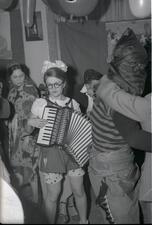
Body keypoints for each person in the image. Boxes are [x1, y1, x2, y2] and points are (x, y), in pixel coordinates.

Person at [88, 28, 148, 224]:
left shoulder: (108, 81)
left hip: (104, 163)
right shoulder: (118, 100)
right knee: (123, 217)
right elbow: (134, 137)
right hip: (113, 172)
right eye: (140, 67)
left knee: (116, 214)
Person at [27, 60, 88, 224]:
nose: (53, 88)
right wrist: (30, 123)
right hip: (51, 153)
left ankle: (84, 221)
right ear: (46, 86)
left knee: (79, 190)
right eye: (49, 85)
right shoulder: (40, 103)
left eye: (57, 84)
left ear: (64, 84)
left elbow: (80, 129)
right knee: (53, 195)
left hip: (72, 153)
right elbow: (28, 130)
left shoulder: (73, 103)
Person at [96, 75, 151, 223]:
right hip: (115, 167)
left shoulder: (146, 101)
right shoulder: (145, 100)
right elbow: (134, 137)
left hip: (114, 166)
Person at [7, 62, 40, 203]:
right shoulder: (11, 92)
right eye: (15, 77)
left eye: (21, 76)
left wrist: (27, 135)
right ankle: (21, 202)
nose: (19, 79)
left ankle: (37, 202)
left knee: (31, 169)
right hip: (14, 136)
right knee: (18, 169)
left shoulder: (31, 90)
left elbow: (36, 115)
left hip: (28, 133)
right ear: (10, 78)